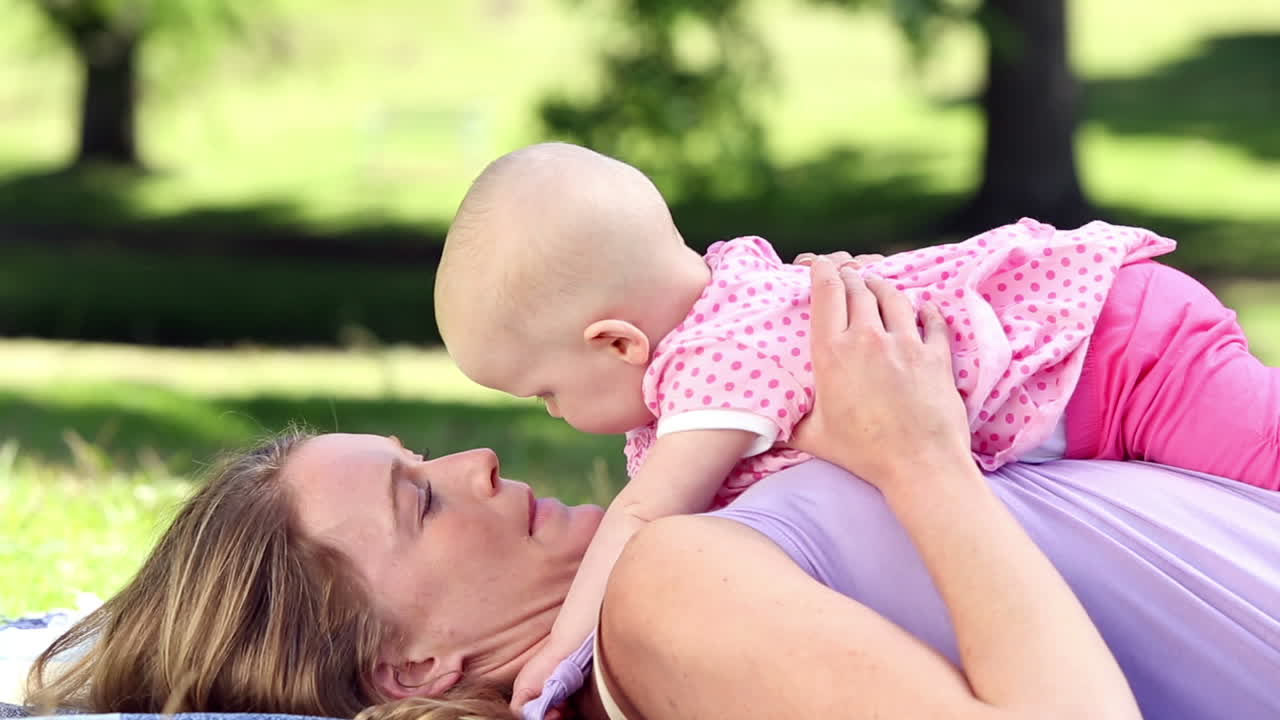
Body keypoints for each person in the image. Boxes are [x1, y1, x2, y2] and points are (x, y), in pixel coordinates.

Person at [25, 261, 1280, 720]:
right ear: (406, 667)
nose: (472, 464)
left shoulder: (687, 545)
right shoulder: (664, 601)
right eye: (418, 499)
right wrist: (915, 460)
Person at [431, 142, 1280, 709]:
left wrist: (561, 652)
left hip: (1118, 355)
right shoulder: (729, 301)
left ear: (615, 342)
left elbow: (644, 513)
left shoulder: (711, 371)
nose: (545, 424)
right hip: (1099, 370)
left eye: (545, 393)